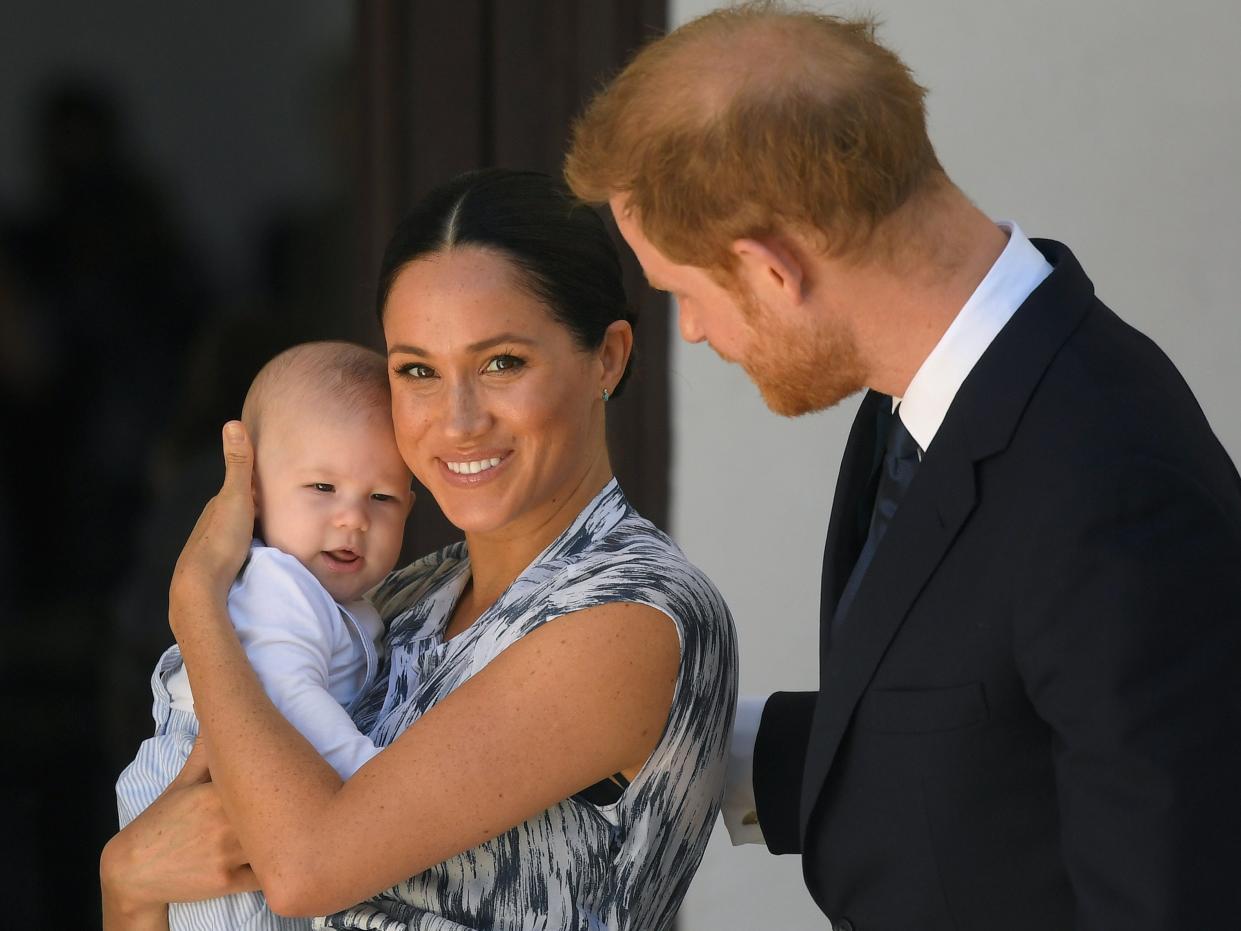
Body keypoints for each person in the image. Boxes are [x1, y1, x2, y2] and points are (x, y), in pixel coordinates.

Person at [564, 4, 1241, 929]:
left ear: (769, 268)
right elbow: (977, 746)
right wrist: (665, 737)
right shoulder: (923, 394)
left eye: (682, 292)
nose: (692, 331)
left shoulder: (1110, 486)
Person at [100, 168, 738, 931]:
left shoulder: (629, 612)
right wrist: (126, 881)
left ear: (608, 356)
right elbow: (190, 882)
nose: (458, 420)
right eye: (417, 371)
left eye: (502, 362)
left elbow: (304, 869)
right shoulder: (395, 600)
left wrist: (196, 601)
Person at [114, 341, 415, 931]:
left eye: (381, 497)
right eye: (322, 488)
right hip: (208, 794)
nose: (353, 518)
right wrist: (376, 789)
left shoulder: (346, 600)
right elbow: (289, 698)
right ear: (252, 494)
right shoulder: (280, 585)